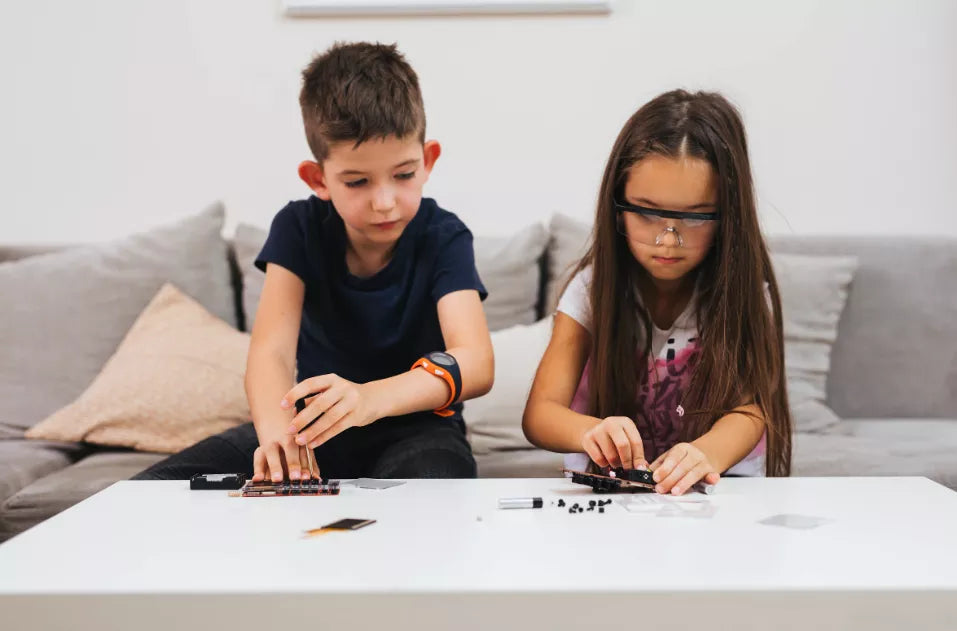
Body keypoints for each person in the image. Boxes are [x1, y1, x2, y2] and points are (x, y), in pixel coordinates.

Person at [136, 42, 493, 482]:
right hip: (312, 428)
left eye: (403, 174)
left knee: (432, 494)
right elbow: (272, 352)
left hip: (420, 431)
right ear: (318, 179)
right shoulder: (297, 227)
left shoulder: (445, 235)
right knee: (152, 489)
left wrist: (368, 400)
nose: (384, 202)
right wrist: (275, 435)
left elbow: (475, 362)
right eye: (358, 181)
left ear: (428, 160)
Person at [522, 90, 791, 495]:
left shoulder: (746, 295)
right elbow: (540, 415)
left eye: (696, 216)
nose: (668, 240)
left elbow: (751, 409)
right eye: (646, 212)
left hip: (721, 489)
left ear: (728, 217)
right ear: (617, 204)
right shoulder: (590, 290)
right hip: (612, 489)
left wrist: (705, 453)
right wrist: (593, 431)